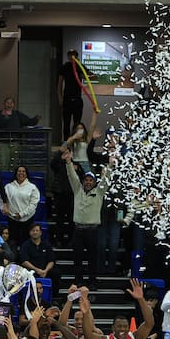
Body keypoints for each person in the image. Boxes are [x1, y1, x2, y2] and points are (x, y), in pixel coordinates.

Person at [65, 149, 109, 289]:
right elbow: (72, 176)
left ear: (94, 182)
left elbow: (106, 180)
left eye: (91, 180)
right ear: (83, 181)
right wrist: (68, 162)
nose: (88, 182)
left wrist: (110, 166)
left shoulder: (99, 192)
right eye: (86, 180)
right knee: (77, 257)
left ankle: (92, 281)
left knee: (92, 257)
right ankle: (78, 280)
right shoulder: (77, 190)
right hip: (78, 229)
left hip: (92, 230)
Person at [0, 96, 40, 170]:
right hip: (3, 143)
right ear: (4, 104)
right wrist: (3, 117)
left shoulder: (17, 114)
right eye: (7, 103)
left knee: (14, 163)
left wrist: (36, 119)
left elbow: (28, 121)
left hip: (15, 142)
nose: (9, 104)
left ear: (14, 105)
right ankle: (4, 177)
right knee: (3, 163)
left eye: (11, 103)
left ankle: (13, 177)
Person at [18, 224, 61, 299]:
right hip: (31, 271)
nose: (35, 232)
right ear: (29, 232)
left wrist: (45, 270)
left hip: (45, 271)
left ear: (41, 232)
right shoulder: (25, 245)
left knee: (56, 273)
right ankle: (24, 298)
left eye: (37, 230)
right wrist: (37, 270)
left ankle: (54, 297)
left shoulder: (47, 244)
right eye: (33, 231)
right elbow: (24, 261)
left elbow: (51, 261)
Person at [2, 165, 40, 248]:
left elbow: (33, 204)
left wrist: (21, 214)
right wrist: (4, 209)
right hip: (12, 219)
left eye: (23, 171)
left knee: (26, 243)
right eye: (19, 171)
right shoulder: (8, 187)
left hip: (27, 220)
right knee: (12, 243)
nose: (21, 173)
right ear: (16, 173)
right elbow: (2, 200)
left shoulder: (32, 187)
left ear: (26, 174)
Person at [57, 49, 84, 142]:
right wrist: (60, 98)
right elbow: (59, 84)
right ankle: (66, 143)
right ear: (68, 57)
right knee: (66, 124)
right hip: (67, 99)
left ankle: (76, 142)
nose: (72, 57)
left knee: (77, 124)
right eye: (70, 55)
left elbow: (89, 76)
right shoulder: (64, 67)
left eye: (74, 55)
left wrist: (82, 70)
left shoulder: (80, 66)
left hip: (77, 99)